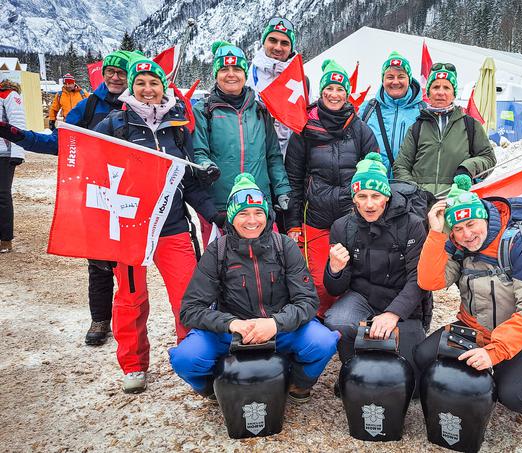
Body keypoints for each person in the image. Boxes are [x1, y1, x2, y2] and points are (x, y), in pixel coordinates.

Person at [95, 56, 223, 394]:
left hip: (173, 227)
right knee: (131, 299)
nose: (148, 89)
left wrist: (214, 213)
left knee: (188, 298)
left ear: (163, 87)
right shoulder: (115, 125)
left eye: (154, 83)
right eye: (141, 83)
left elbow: (190, 181)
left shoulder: (178, 127)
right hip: (132, 233)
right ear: (132, 87)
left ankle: (193, 357)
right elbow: (94, 174)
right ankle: (134, 364)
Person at [0, 49, 141, 346]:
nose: (116, 77)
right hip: (97, 194)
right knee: (99, 262)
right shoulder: (88, 107)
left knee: (131, 265)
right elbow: (58, 143)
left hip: (134, 194)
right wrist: (15, 134)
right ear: (103, 75)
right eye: (111, 72)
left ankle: (134, 323)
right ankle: (100, 319)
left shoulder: (141, 104)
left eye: (122, 73)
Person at [170, 173, 339, 403]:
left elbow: (307, 301)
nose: (252, 220)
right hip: (231, 333)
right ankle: (214, 389)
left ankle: (298, 385)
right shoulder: (217, 252)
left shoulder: (285, 246)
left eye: (258, 212)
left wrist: (274, 323)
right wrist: (231, 324)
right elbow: (190, 309)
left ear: (267, 214)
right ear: (231, 217)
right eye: (243, 213)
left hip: (279, 328)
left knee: (323, 341)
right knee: (185, 358)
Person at [414, 175, 522, 420]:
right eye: (457, 228)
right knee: (423, 355)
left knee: (514, 395)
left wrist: (493, 352)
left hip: (520, 337)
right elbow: (429, 282)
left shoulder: (518, 247)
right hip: (473, 328)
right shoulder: (459, 249)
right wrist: (436, 234)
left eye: (472, 223)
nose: (467, 234)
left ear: (485, 218)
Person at [284, 59, 379, 317]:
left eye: (340, 89)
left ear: (347, 94)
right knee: (318, 279)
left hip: (351, 218)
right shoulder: (303, 130)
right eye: (329, 88)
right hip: (315, 216)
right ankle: (320, 325)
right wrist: (293, 223)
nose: (334, 94)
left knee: (352, 273)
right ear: (321, 92)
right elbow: (293, 179)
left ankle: (346, 324)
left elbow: (374, 172)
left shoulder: (360, 130)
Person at [323, 153, 431, 366]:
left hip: (403, 299)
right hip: (363, 297)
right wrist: (334, 271)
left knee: (413, 380)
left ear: (387, 196)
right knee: (337, 321)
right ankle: (351, 369)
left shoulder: (413, 224)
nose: (369, 204)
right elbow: (335, 289)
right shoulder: (341, 227)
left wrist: (393, 313)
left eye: (376, 196)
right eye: (362, 196)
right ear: (354, 198)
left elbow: (418, 279)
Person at [192, 41, 291, 248]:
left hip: (257, 203)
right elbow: (198, 152)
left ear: (245, 74)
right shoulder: (204, 110)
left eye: (237, 69)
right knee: (222, 269)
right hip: (221, 204)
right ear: (216, 74)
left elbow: (273, 156)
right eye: (224, 69)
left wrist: (282, 189)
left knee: (265, 267)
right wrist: (205, 166)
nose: (231, 74)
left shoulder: (261, 110)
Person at [392, 63, 496, 196]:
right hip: (421, 203)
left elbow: (488, 158)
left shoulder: (471, 125)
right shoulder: (417, 128)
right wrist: (415, 191)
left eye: (446, 87)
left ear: (454, 94)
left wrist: (467, 169)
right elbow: (400, 166)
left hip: (458, 199)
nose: (440, 92)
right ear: (428, 93)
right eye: (435, 87)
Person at [358, 51, 425, 176]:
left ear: (409, 79)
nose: (395, 82)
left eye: (401, 76)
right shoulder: (367, 109)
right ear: (383, 80)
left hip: (410, 186)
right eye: (390, 77)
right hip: (374, 186)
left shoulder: (422, 111)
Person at [246, 16, 303, 158]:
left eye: (284, 43)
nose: (278, 47)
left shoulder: (301, 80)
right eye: (273, 40)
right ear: (264, 42)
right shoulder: (245, 74)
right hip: (254, 158)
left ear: (291, 48)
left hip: (290, 162)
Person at [0, 79, 26, 253]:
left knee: (2, 195)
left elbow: (17, 123)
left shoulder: (9, 94)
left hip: (4, 153)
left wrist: (18, 152)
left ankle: (5, 239)